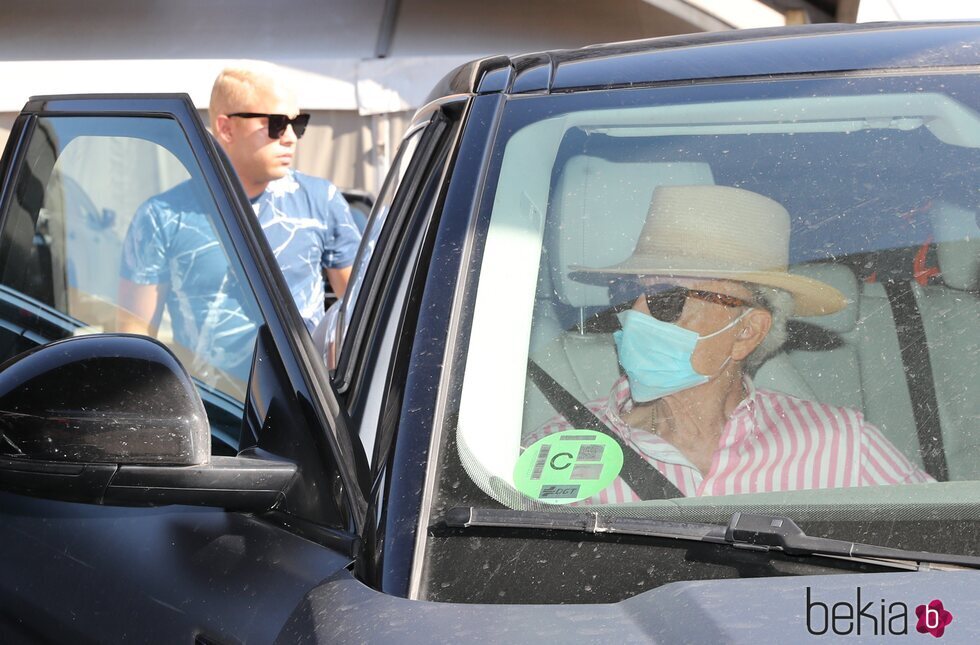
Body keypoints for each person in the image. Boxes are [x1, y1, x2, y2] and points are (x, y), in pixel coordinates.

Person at [531, 185, 933, 501]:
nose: (634, 315)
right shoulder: (562, 449)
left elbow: (945, 562)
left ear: (747, 331)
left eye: (665, 298)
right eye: (626, 293)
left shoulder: (841, 445)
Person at [117, 63, 360, 381]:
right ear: (226, 128)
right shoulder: (162, 215)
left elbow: (362, 311)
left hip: (306, 407)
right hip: (213, 410)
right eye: (275, 124)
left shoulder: (322, 199)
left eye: (297, 124)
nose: (289, 138)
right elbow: (136, 335)